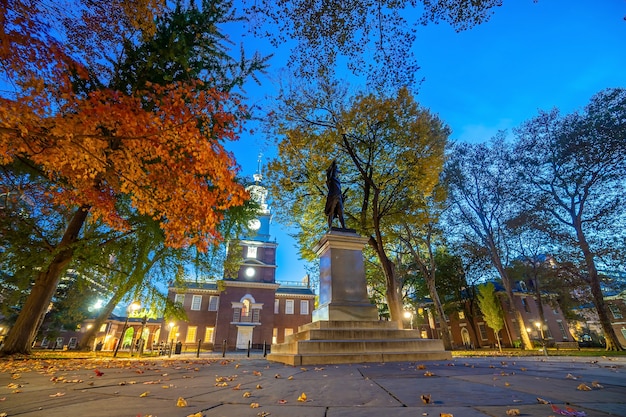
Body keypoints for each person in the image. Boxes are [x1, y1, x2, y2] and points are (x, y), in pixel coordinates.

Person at [324, 160, 346, 229]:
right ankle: (330, 227)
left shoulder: (338, 181)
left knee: (340, 212)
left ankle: (344, 227)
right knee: (331, 212)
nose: (337, 173)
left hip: (339, 197)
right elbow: (328, 176)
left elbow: (339, 190)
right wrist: (332, 166)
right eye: (336, 171)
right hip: (333, 197)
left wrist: (342, 197)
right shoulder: (331, 179)